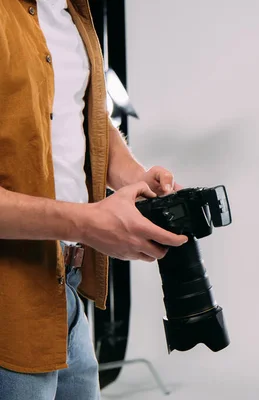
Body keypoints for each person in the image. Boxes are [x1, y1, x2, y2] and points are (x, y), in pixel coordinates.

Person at [0, 1, 188, 399]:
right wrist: (89, 222)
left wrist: (134, 176)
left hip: (63, 290)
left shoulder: (74, 14)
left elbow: (86, 113)